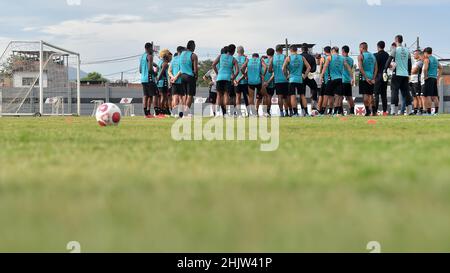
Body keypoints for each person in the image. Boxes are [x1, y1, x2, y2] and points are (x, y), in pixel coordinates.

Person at [385, 35, 413, 115]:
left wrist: (384, 70)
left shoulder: (395, 50)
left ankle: (394, 111)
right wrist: (409, 73)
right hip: (405, 74)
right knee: (406, 93)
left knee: (394, 92)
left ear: (396, 40)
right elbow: (409, 63)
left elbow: (389, 60)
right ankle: (409, 111)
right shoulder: (407, 50)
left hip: (397, 74)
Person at [283, 44, 311, 116]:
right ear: (296, 50)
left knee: (293, 96)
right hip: (300, 79)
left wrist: (286, 76)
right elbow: (309, 67)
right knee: (302, 95)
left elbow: (283, 68)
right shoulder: (302, 57)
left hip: (292, 79)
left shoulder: (288, 58)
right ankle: (306, 112)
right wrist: (304, 76)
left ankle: (295, 113)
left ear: (290, 50)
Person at [212, 44, 239, 117]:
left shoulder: (221, 56)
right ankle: (225, 113)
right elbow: (237, 71)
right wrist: (233, 78)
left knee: (218, 96)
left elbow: (213, 64)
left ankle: (217, 114)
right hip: (227, 79)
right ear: (233, 51)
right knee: (226, 95)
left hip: (220, 78)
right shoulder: (233, 59)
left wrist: (218, 73)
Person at [321, 46, 344, 115]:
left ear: (333, 51)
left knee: (326, 95)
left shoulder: (329, 57)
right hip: (340, 79)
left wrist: (321, 75)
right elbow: (348, 67)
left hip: (331, 79)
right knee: (337, 96)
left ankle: (322, 112)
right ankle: (335, 112)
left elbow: (325, 66)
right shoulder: (342, 58)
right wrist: (352, 77)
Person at [180, 40, 199, 117]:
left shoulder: (182, 54)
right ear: (192, 46)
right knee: (190, 95)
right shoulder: (193, 55)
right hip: (190, 76)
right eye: (194, 46)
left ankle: (184, 111)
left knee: (185, 95)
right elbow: (195, 69)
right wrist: (196, 77)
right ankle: (186, 112)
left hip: (182, 76)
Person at [358, 42, 378, 116]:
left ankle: (367, 111)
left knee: (365, 95)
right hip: (372, 78)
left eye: (359, 48)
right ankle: (374, 111)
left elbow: (360, 68)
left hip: (364, 78)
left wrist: (366, 78)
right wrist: (373, 78)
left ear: (362, 48)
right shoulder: (373, 56)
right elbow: (376, 68)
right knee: (371, 95)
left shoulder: (361, 56)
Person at [270, 45, 290, 117]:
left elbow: (269, 70)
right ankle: (287, 112)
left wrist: (274, 69)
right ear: (282, 50)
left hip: (277, 80)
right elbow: (288, 67)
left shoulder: (273, 58)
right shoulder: (284, 57)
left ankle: (281, 112)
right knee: (286, 97)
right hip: (285, 79)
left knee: (279, 97)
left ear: (276, 50)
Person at [139, 42, 158, 118]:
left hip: (143, 79)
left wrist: (154, 64)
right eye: (151, 48)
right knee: (154, 95)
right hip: (149, 78)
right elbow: (150, 69)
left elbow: (140, 70)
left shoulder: (142, 57)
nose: (152, 50)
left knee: (146, 96)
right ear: (149, 48)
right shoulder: (150, 56)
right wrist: (155, 73)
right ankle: (157, 113)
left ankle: (146, 114)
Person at [422, 47, 443, 115]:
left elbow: (425, 69)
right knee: (435, 96)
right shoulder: (435, 59)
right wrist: (438, 77)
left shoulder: (427, 59)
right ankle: (436, 112)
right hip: (434, 79)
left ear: (426, 53)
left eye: (424, 53)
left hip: (429, 78)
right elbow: (441, 68)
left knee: (428, 96)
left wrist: (425, 77)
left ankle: (429, 112)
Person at [300, 44, 319, 111]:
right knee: (314, 88)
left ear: (301, 50)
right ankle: (313, 106)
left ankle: (303, 109)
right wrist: (308, 72)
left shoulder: (299, 57)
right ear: (307, 50)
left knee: (302, 93)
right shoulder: (311, 57)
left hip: (301, 76)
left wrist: (303, 72)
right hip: (310, 76)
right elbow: (314, 69)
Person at [169, 46, 186, 118]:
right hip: (180, 81)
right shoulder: (183, 59)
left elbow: (169, 71)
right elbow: (182, 70)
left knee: (175, 97)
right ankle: (181, 114)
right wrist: (175, 77)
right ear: (182, 52)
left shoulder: (173, 59)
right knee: (181, 98)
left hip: (174, 82)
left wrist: (172, 77)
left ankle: (175, 113)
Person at [374, 41, 390, 116]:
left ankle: (375, 111)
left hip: (377, 76)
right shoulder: (387, 55)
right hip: (385, 76)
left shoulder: (375, 55)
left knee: (376, 94)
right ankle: (384, 112)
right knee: (384, 95)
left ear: (378, 47)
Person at [156, 49, 172, 117]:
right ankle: (161, 112)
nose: (170, 57)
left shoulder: (159, 62)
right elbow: (162, 73)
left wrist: (157, 80)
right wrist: (158, 79)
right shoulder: (165, 63)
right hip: (163, 81)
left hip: (159, 82)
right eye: (169, 55)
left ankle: (160, 111)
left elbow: (157, 71)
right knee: (163, 97)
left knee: (161, 97)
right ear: (166, 56)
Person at [234, 46, 249, 116]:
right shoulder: (246, 59)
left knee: (238, 97)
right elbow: (246, 70)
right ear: (243, 52)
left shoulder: (234, 59)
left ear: (237, 52)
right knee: (247, 97)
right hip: (244, 81)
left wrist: (234, 79)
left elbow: (231, 70)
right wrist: (242, 77)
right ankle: (249, 113)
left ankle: (239, 113)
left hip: (236, 81)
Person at [261, 49, 275, 116]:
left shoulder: (263, 61)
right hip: (271, 82)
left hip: (263, 83)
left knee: (264, 97)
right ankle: (268, 111)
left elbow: (260, 73)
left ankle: (264, 112)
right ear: (273, 53)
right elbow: (274, 74)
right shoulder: (274, 61)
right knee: (269, 97)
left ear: (266, 53)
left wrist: (264, 82)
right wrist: (268, 82)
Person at [410, 50, 424, 115]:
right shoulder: (414, 62)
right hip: (412, 81)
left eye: (415, 54)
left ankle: (421, 110)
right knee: (414, 97)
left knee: (418, 96)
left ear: (418, 55)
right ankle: (415, 111)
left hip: (417, 81)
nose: (414, 55)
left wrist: (411, 70)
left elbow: (414, 71)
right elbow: (411, 70)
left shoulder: (420, 62)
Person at [342, 45, 355, 115]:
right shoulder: (351, 60)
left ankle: (340, 112)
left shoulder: (341, 59)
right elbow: (351, 69)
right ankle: (352, 112)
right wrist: (352, 78)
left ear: (343, 51)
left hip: (343, 80)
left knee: (339, 97)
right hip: (349, 80)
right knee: (349, 97)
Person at [319, 46, 332, 115]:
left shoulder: (323, 58)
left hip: (325, 79)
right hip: (332, 79)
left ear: (324, 51)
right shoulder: (333, 57)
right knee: (331, 96)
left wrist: (321, 76)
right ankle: (330, 111)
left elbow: (320, 69)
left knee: (322, 95)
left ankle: (320, 110)